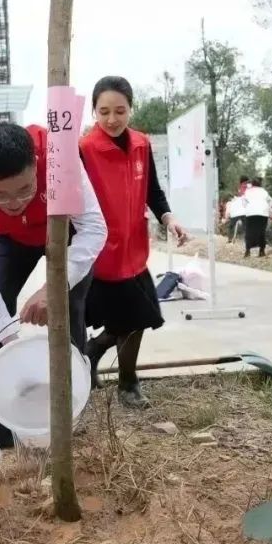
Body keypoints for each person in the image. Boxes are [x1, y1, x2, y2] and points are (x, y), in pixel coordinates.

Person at [0, 121, 107, 448]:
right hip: (10, 238)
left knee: (68, 308)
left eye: (24, 189)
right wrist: (9, 338)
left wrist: (53, 287)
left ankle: (69, 407)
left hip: (64, 231)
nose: (14, 202)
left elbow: (94, 228)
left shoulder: (60, 158)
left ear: (36, 164)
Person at [78, 77, 190, 408]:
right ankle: (124, 379)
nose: (112, 119)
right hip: (99, 253)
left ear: (130, 109)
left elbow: (153, 190)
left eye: (120, 110)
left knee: (139, 316)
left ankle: (109, 363)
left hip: (133, 249)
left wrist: (168, 218)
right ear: (94, 111)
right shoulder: (84, 149)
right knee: (132, 318)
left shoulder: (141, 144)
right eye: (104, 111)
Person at [242, 177, 272, 257]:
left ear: (252, 184)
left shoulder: (248, 191)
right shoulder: (264, 192)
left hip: (251, 213)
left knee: (249, 231)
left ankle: (247, 251)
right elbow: (270, 201)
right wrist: (270, 213)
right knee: (261, 231)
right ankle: (262, 251)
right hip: (263, 213)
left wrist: (248, 208)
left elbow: (244, 202)